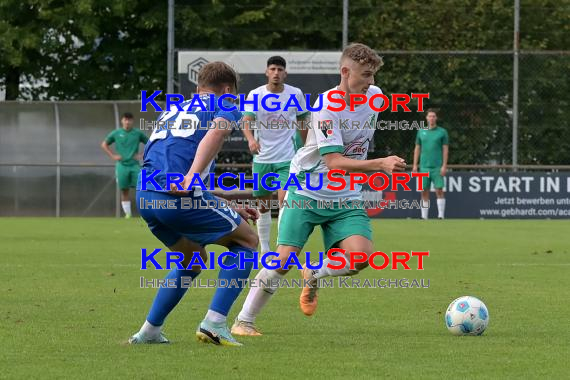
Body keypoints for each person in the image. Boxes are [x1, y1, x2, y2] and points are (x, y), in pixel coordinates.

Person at [231, 43, 407, 336]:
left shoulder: (374, 97)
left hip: (346, 196)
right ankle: (243, 321)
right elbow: (334, 161)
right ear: (345, 72)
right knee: (284, 259)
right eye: (366, 75)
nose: (372, 82)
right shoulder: (326, 107)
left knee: (360, 258)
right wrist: (380, 163)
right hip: (307, 192)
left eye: (373, 75)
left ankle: (314, 272)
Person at [128, 62, 259, 347]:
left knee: (192, 259)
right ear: (227, 90)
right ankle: (214, 323)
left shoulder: (173, 110)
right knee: (248, 241)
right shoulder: (223, 105)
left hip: (146, 194)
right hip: (176, 196)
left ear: (198, 87)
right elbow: (216, 134)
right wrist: (190, 177)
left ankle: (149, 332)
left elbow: (171, 160)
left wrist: (225, 203)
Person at [241, 56, 310, 260]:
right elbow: (246, 120)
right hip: (262, 158)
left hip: (288, 158)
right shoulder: (256, 94)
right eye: (273, 69)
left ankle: (282, 248)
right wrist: (251, 140)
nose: (276, 72)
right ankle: (264, 248)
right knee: (263, 206)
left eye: (280, 69)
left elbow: (303, 121)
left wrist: (306, 148)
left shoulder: (295, 94)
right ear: (267, 72)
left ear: (285, 73)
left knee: (285, 201)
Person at [101, 112, 148, 218]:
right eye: (125, 119)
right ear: (122, 121)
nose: (127, 122)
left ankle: (144, 213)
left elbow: (150, 143)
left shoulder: (137, 133)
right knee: (124, 190)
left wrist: (142, 155)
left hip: (135, 165)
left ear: (132, 121)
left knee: (141, 188)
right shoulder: (116, 133)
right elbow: (104, 144)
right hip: (122, 165)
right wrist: (113, 156)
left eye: (129, 120)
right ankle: (128, 214)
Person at [412, 109, 449, 219]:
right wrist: (415, 164)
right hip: (424, 167)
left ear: (436, 118)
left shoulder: (442, 132)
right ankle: (424, 217)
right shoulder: (421, 131)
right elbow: (417, 148)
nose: (432, 118)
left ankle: (441, 216)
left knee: (439, 190)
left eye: (433, 116)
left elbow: (445, 149)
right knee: (424, 191)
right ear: (426, 118)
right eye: (430, 116)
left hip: (437, 167)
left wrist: (444, 166)